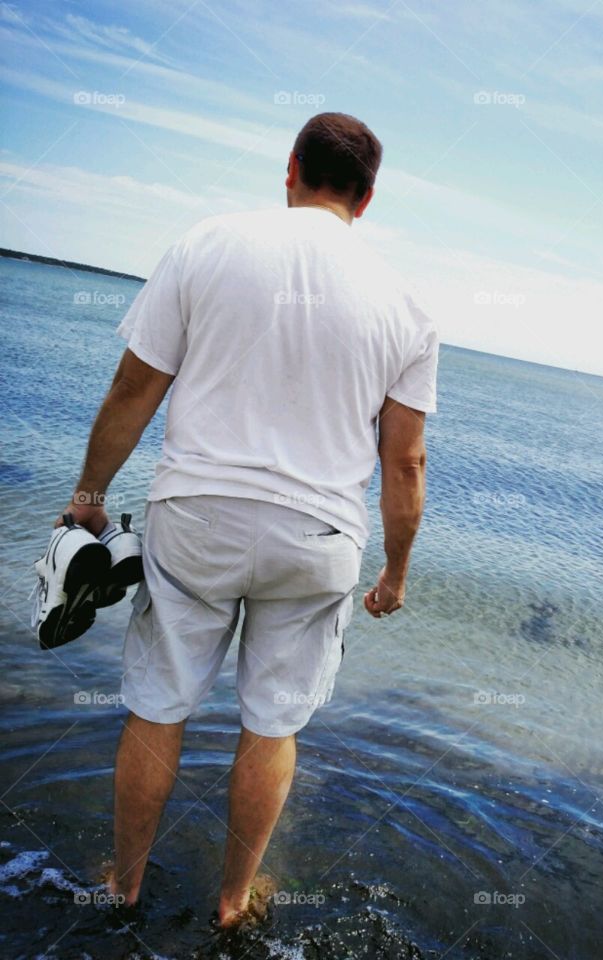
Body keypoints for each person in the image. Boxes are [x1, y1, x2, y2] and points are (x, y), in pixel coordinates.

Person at [54, 112, 439, 926]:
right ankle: (233, 900)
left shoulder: (209, 242)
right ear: (367, 201)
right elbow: (405, 463)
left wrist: (90, 495)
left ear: (291, 167)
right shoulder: (407, 304)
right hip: (319, 538)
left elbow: (134, 391)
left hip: (197, 517)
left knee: (159, 704)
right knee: (272, 724)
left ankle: (123, 883)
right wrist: (396, 573)